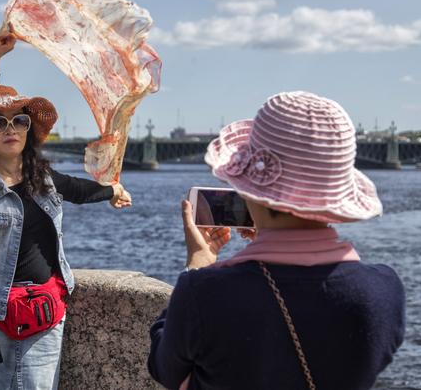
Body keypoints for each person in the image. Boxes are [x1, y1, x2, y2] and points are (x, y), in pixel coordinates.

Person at [148, 91, 405, 390]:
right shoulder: (385, 290)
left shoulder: (204, 292)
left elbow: (164, 369)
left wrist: (197, 265)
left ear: (248, 189)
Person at [0, 33, 132, 390]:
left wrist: (113, 191)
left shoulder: (44, 178)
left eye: (19, 121)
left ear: (29, 129)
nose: (10, 129)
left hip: (44, 318)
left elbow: (77, 189)